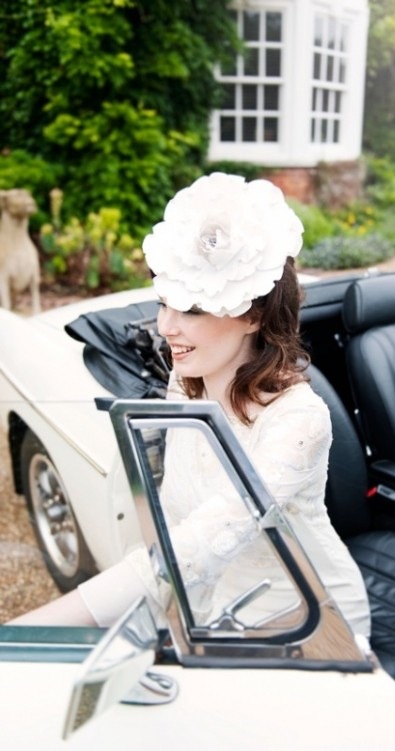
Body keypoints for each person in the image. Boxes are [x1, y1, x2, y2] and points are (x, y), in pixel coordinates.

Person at [10, 173, 371, 639]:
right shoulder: (187, 378)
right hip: (211, 604)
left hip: (308, 619)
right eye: (164, 304)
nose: (165, 327)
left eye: (192, 310)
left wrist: (27, 629)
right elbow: (171, 506)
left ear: (254, 315)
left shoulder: (299, 421)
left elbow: (201, 543)